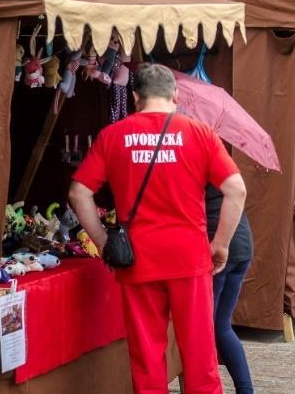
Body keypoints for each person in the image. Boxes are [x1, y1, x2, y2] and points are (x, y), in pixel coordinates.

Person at [68, 63, 247, 394]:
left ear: (136, 97)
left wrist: (104, 239)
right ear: (176, 95)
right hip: (190, 258)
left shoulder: (113, 135)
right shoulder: (200, 133)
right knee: (199, 355)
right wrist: (220, 243)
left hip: (138, 260)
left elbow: (79, 192)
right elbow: (236, 189)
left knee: (146, 356)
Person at [205, 186, 253, 393]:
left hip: (218, 247)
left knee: (206, 328)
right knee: (221, 326)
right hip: (242, 243)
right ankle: (245, 389)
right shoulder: (222, 163)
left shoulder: (196, 159)